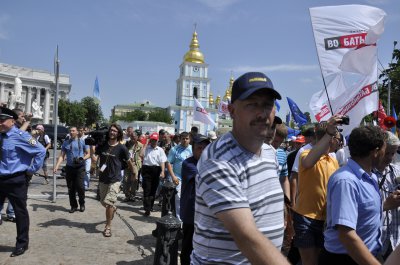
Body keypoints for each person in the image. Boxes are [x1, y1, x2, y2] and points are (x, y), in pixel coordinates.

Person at [192, 72, 289, 264]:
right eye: (252, 104)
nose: (262, 113)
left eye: (267, 105)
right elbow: (247, 237)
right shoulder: (218, 161)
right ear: (232, 111)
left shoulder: (269, 153)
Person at [319, 126, 386, 265]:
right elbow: (346, 235)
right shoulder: (346, 181)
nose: (386, 155)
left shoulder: (370, 176)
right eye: (384, 150)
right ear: (375, 152)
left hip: (365, 256)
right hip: (346, 259)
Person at [292, 117, 341, 265]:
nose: (339, 142)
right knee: (310, 262)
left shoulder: (333, 159)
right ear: (330, 139)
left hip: (326, 220)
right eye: (337, 138)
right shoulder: (305, 154)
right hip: (305, 218)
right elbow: (308, 163)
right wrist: (329, 133)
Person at [0, 106, 45, 257]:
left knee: (20, 213)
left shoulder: (21, 136)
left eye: (2, 121)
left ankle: (22, 243)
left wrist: (31, 170)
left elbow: (41, 151)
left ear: (12, 121)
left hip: (15, 179)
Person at [93, 124, 130, 237]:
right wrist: (91, 145)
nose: (112, 132)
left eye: (115, 131)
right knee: (103, 202)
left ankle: (108, 226)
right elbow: (95, 156)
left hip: (115, 179)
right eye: (111, 130)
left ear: (118, 133)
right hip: (103, 178)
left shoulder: (122, 148)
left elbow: (129, 161)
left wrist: (134, 174)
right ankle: (113, 209)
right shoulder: (103, 145)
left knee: (108, 204)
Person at [180, 134, 210, 265]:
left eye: (205, 148)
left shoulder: (210, 162)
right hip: (191, 213)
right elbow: (204, 177)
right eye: (199, 148)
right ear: (193, 149)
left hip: (205, 214)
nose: (203, 151)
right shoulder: (188, 164)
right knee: (187, 247)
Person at [373, 131, 400, 260]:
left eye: (393, 153)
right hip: (375, 240)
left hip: (395, 238)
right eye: (387, 152)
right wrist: (385, 205)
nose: (389, 157)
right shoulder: (366, 174)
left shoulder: (396, 171)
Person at [54, 126, 90, 213]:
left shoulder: (82, 141)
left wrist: (82, 158)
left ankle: (82, 203)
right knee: (71, 188)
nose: (71, 132)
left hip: (80, 167)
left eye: (73, 131)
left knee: (80, 187)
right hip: (69, 167)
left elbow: (89, 153)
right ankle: (73, 205)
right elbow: (62, 156)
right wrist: (56, 166)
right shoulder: (66, 143)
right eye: (70, 131)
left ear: (77, 132)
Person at [167, 131, 192, 220]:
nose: (185, 140)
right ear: (180, 139)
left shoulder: (193, 149)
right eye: (183, 139)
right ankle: (179, 219)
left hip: (190, 178)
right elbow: (169, 163)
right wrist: (173, 176)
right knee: (179, 198)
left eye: (187, 139)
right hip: (178, 178)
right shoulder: (174, 149)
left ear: (190, 139)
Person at [140, 132, 167, 216]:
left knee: (153, 190)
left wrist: (162, 171)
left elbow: (162, 161)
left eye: (155, 140)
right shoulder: (146, 148)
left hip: (156, 170)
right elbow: (141, 155)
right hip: (146, 169)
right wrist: (146, 143)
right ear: (150, 140)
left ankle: (150, 206)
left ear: (157, 140)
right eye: (152, 140)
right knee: (147, 189)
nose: (153, 142)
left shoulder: (160, 150)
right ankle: (147, 208)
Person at [123, 129, 143, 202]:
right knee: (126, 180)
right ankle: (127, 195)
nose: (133, 138)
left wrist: (137, 162)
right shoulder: (126, 144)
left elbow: (141, 156)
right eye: (132, 137)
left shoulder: (140, 145)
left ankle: (133, 195)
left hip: (135, 164)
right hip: (127, 164)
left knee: (134, 180)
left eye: (134, 137)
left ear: (137, 137)